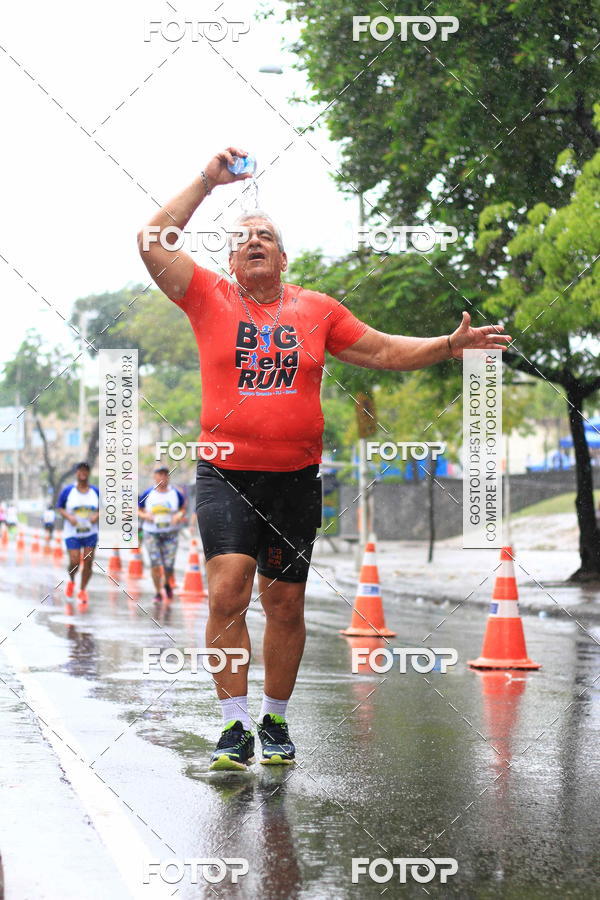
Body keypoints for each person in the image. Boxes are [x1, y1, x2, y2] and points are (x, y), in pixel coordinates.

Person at [137, 146, 511, 771]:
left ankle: (275, 720)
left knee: (285, 604)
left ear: (284, 259)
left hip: (295, 480)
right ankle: (233, 726)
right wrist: (206, 180)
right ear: (230, 260)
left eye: (267, 236)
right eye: (243, 238)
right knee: (228, 590)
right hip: (227, 474)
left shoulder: (316, 310)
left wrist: (449, 346)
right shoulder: (208, 297)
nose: (255, 241)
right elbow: (152, 240)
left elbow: (384, 350)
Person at [138, 466, 186, 603]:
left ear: (168, 477)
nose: (162, 478)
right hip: (151, 533)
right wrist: (145, 516)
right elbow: (138, 509)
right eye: (159, 475)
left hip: (171, 533)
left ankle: (166, 584)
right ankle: (158, 592)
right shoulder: (148, 493)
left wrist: (179, 515)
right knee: (155, 563)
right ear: (154, 477)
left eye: (165, 475)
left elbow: (183, 508)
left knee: (169, 564)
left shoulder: (176, 493)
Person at [56, 462, 100, 611]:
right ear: (76, 473)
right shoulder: (68, 491)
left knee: (88, 562)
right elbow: (59, 507)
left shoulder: (95, 491)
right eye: (80, 470)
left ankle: (82, 590)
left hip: (90, 533)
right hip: (72, 533)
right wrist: (69, 517)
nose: (83, 473)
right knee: (75, 561)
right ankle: (71, 580)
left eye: (85, 470)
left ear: (88, 473)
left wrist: (97, 516)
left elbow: (105, 508)